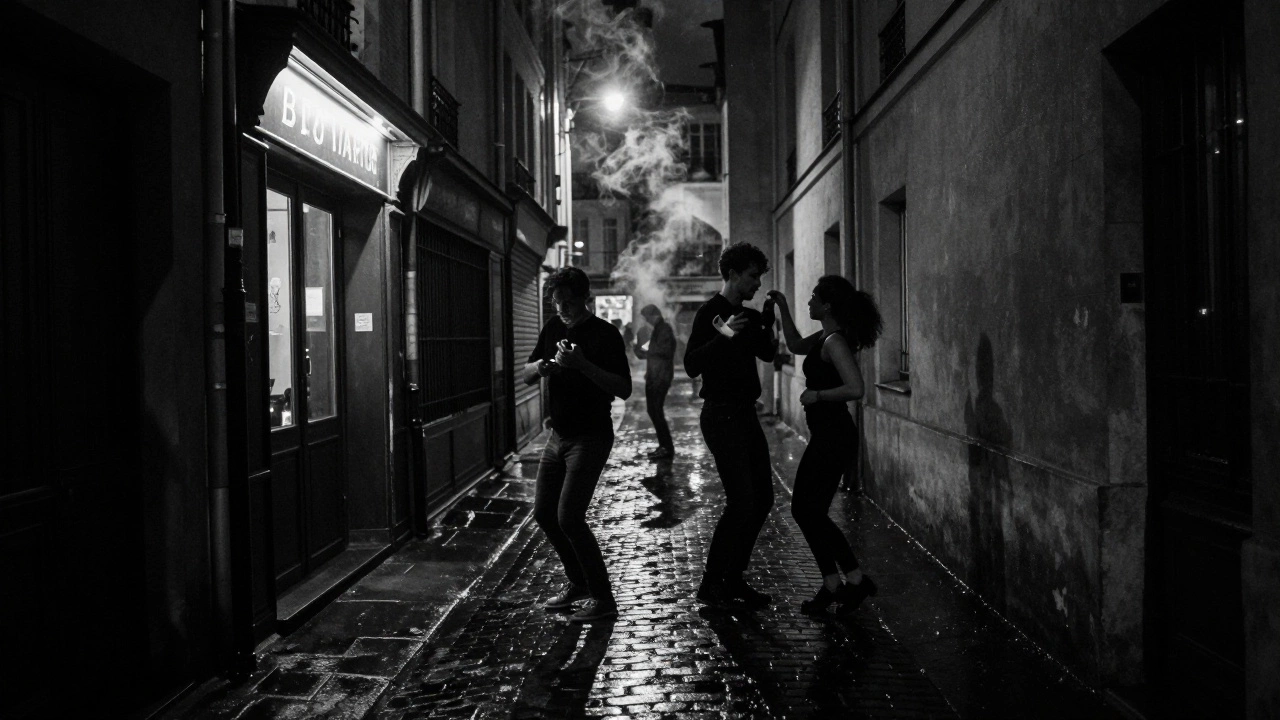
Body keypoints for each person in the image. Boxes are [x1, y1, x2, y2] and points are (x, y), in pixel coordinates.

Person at [523, 267, 633, 622]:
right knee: (544, 513)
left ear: (584, 297)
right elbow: (525, 372)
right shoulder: (553, 328)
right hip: (558, 436)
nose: (563, 309)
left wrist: (582, 365)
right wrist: (543, 367)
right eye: (557, 303)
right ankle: (579, 583)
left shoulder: (605, 334)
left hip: (591, 435)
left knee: (569, 516)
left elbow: (624, 388)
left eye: (569, 302)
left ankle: (603, 598)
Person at [768, 276, 883, 614]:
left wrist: (817, 395)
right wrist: (783, 308)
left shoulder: (835, 342)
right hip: (826, 434)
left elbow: (856, 389)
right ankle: (837, 582)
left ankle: (853, 580)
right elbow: (794, 345)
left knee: (807, 510)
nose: (810, 299)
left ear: (828, 305)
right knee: (807, 510)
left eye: (815, 295)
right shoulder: (823, 337)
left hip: (835, 435)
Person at [684, 242, 779, 608]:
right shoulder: (711, 312)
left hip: (745, 413)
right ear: (734, 274)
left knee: (762, 499)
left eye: (759, 277)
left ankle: (733, 578)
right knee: (741, 501)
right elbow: (691, 363)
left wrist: (768, 317)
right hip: (720, 414)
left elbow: (768, 353)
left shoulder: (749, 315)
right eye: (753, 276)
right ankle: (712, 585)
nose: (757, 283)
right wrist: (724, 336)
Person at [633, 304, 676, 458]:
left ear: (653, 315)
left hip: (660, 376)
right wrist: (639, 350)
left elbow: (663, 351)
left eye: (646, 318)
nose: (646, 321)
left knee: (656, 411)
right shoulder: (658, 329)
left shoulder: (664, 329)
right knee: (654, 411)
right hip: (655, 375)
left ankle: (666, 447)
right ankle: (664, 446)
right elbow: (652, 352)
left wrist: (646, 349)